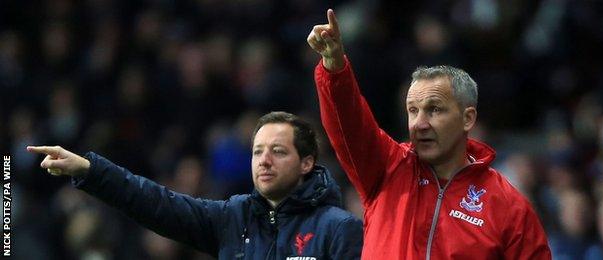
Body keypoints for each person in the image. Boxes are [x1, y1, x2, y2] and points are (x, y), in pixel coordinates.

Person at [307, 9, 551, 259]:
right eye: (413, 111)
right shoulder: (387, 168)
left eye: (434, 110)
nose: (419, 124)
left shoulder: (508, 205)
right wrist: (334, 66)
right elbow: (349, 124)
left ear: (468, 118)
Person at [27, 111, 363, 259]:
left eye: (278, 151)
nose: (264, 160)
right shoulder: (233, 217)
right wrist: (90, 170)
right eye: (257, 151)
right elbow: (155, 202)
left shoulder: (339, 228)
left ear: (307, 162)